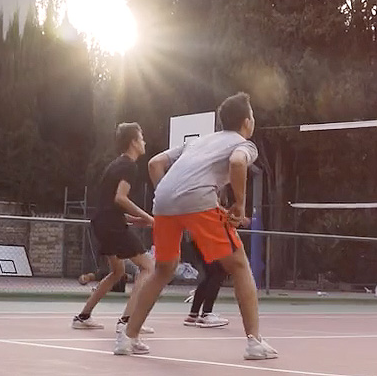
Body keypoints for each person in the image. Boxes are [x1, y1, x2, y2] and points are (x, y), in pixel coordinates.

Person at [116, 93, 277, 360]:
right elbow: (237, 163)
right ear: (248, 122)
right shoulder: (244, 144)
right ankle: (255, 342)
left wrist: (172, 197)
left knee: (162, 270)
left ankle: (128, 337)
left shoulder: (200, 141)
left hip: (164, 200)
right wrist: (239, 205)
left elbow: (155, 163)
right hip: (197, 200)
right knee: (238, 265)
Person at [73, 123, 158, 333]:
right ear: (133, 142)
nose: (144, 141)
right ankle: (128, 322)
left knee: (117, 272)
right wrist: (147, 216)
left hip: (102, 223)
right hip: (111, 225)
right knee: (148, 267)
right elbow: (120, 198)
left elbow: (108, 203)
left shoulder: (115, 165)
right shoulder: (129, 166)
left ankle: (83, 317)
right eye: (142, 138)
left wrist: (133, 218)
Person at [185, 184, 238, 328]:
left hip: (200, 235)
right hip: (203, 236)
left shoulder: (212, 186)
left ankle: (194, 314)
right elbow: (212, 210)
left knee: (211, 273)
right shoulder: (209, 186)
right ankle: (206, 313)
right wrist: (230, 217)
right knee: (218, 272)